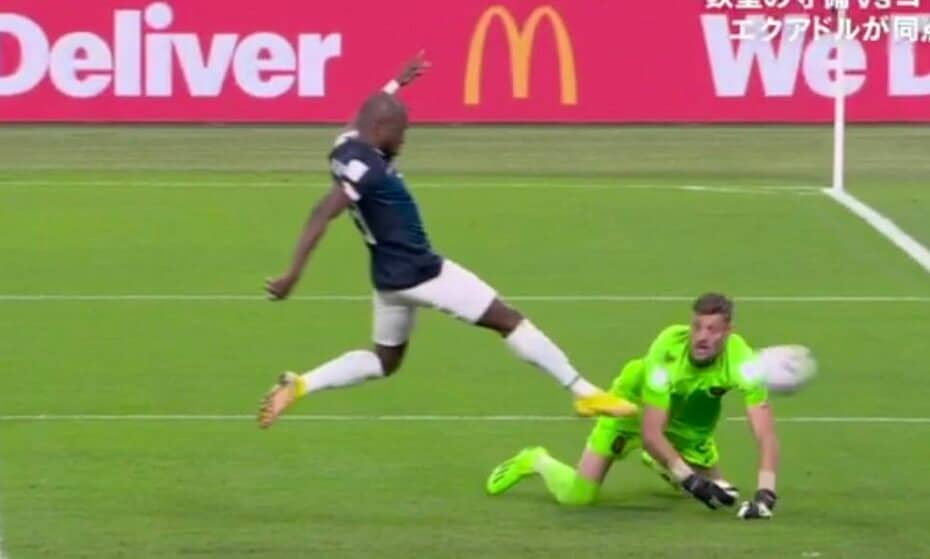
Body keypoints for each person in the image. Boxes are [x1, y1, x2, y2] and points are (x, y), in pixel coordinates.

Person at [257, 52, 635, 429]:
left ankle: (301, 385)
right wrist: (293, 273)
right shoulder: (367, 169)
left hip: (387, 280)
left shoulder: (345, 145)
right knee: (509, 321)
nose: (403, 140)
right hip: (422, 272)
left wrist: (397, 83)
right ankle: (583, 391)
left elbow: (365, 114)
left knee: (384, 361)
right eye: (400, 132)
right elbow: (323, 211)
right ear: (381, 129)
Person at [486, 293, 781, 520]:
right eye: (698, 327)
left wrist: (766, 492)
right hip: (631, 409)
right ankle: (535, 460)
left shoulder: (743, 362)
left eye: (713, 330)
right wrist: (690, 480)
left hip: (689, 424)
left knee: (722, 492)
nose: (703, 337)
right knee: (578, 497)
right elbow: (651, 433)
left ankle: (663, 462)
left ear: (728, 332)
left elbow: (764, 432)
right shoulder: (667, 351)